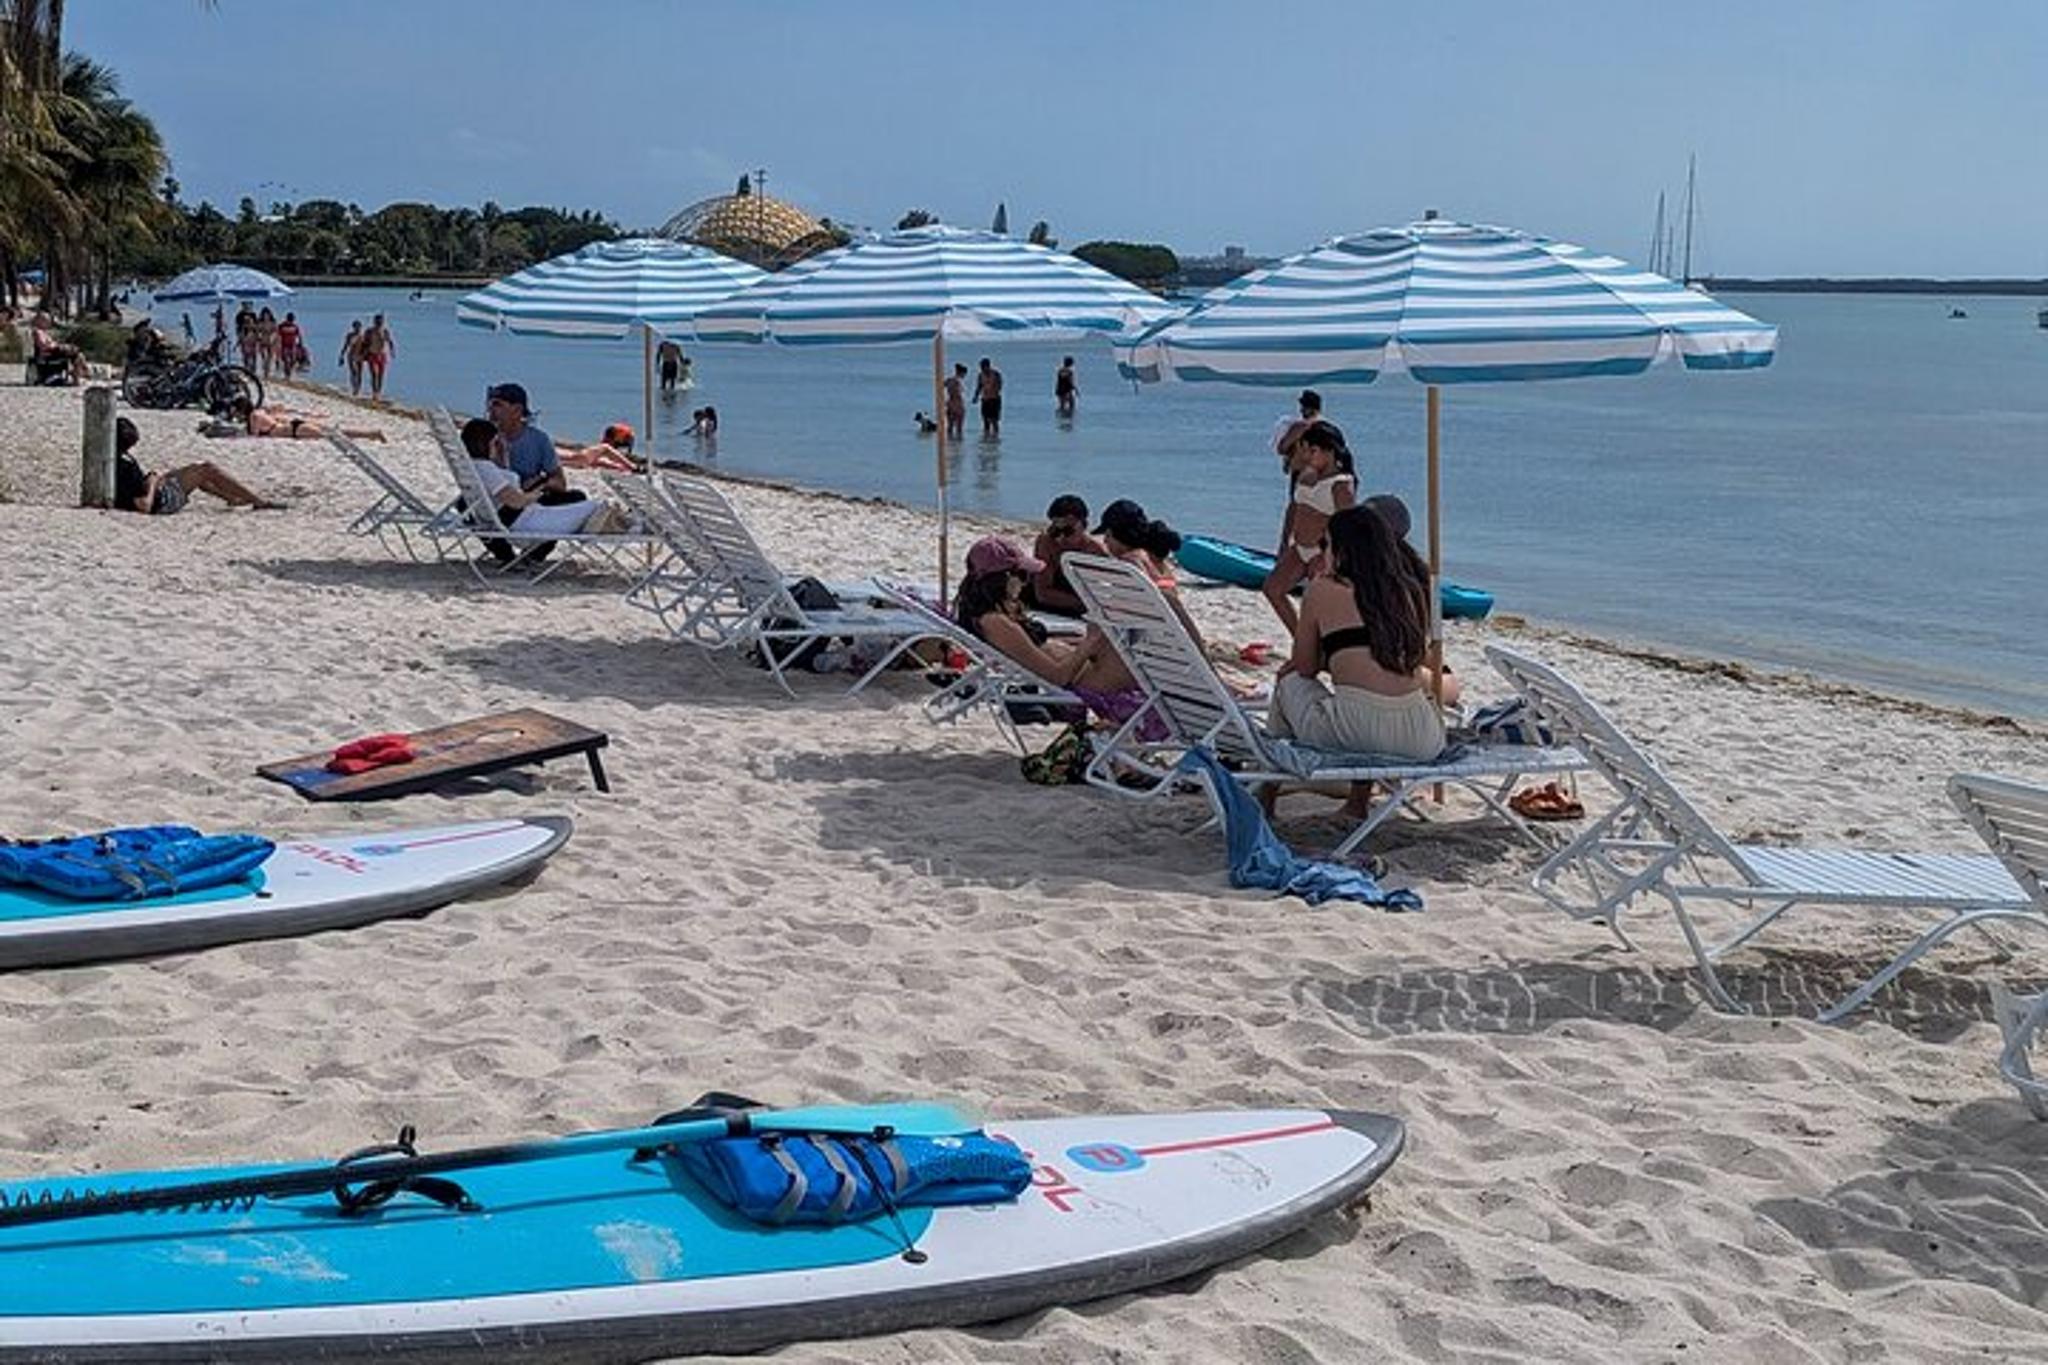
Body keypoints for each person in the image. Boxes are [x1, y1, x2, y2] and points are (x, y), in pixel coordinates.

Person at [1269, 504, 1458, 812]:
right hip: (1423, 736)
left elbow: (1304, 667)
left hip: (1357, 733)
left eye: (1325, 545)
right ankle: (1356, 805)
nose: (1321, 553)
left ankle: (1266, 792)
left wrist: (1331, 659)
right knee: (1361, 698)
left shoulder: (1322, 589)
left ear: (1342, 549)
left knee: (1287, 680)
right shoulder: (1407, 589)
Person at [953, 537, 1133, 693]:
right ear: (1001, 578)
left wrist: (1082, 642)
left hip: (1086, 671)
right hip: (1087, 680)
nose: (1025, 584)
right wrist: (1090, 641)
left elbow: (1032, 647)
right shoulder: (995, 623)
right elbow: (1056, 677)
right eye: (1022, 575)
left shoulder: (991, 616)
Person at [458, 416, 633, 538]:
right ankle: (635, 528)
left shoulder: (475, 467)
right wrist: (539, 490)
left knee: (592, 508)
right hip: (528, 523)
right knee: (596, 506)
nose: (498, 445)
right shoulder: (486, 469)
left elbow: (504, 490)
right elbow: (516, 502)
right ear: (487, 443)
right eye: (496, 442)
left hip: (525, 518)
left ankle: (630, 524)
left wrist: (502, 458)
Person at [1263, 419, 1357, 633]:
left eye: (1313, 451)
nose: (1308, 456)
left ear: (1330, 451)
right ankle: (1300, 641)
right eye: (1306, 450)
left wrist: (1329, 558)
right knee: (1273, 590)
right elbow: (1294, 508)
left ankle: (1316, 648)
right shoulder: (1307, 473)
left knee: (1317, 608)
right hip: (1299, 546)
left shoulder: (1341, 484)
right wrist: (1284, 543)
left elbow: (1347, 528)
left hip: (1321, 552)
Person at [1094, 497, 1206, 649]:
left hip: (1144, 647)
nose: (1105, 541)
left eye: (1107, 535)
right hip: (1169, 643)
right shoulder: (1157, 562)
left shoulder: (1131, 564)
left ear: (1118, 534)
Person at [110, 416, 282, 514]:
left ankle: (232, 499)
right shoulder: (126, 466)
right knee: (206, 469)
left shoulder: (115, 460)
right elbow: (144, 505)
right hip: (163, 501)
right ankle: (258, 501)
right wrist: (152, 482)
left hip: (157, 493)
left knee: (195, 471)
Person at [1025, 493, 1105, 617]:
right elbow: (1043, 594)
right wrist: (1086, 604)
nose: (1060, 538)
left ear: (1084, 525)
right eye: (1056, 530)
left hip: (1077, 606)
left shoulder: (1096, 550)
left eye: (1068, 531)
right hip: (1043, 604)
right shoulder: (1047, 543)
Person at [484, 382, 564, 493]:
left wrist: (541, 483)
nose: (490, 410)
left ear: (517, 410)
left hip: (527, 496)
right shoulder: (483, 438)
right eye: (490, 405)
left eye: (497, 405)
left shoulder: (539, 440)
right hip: (497, 496)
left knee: (576, 496)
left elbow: (559, 481)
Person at [210, 395, 387, 442]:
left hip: (294, 431)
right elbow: (279, 410)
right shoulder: (259, 411)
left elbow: (253, 436)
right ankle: (371, 434)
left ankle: (371, 434)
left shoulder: (254, 416)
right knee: (335, 433)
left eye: (236, 411)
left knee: (335, 435)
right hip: (293, 427)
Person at [555, 422, 641, 472]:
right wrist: (631, 467)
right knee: (605, 448)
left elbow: (601, 462)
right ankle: (633, 466)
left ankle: (632, 466)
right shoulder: (603, 448)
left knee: (602, 452)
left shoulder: (595, 457)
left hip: (576, 459)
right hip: (577, 458)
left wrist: (618, 467)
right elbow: (604, 452)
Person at [30, 311, 88, 382]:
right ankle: (80, 372)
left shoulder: (43, 332)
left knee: (77, 354)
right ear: (39, 321)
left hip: (51, 351)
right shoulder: (38, 332)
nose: (49, 323)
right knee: (74, 352)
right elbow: (43, 345)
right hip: (47, 353)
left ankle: (79, 372)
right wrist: (56, 345)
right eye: (46, 320)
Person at [1272, 388, 1322, 468]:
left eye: (1303, 407)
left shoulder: (1300, 426)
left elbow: (1281, 448)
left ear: (1309, 408)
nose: (1301, 410)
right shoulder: (1327, 426)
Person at [360, 313, 395, 399]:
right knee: (374, 374)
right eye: (378, 321)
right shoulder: (369, 331)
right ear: (374, 321)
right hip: (372, 354)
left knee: (381, 375)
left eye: (381, 321)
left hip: (382, 355)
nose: (379, 322)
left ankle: (378, 392)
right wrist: (362, 354)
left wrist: (392, 351)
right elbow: (364, 343)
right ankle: (374, 392)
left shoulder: (385, 331)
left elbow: (390, 341)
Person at [973, 357, 1003, 436]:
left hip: (994, 400)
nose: (982, 369)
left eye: (983, 367)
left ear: (988, 366)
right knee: (985, 421)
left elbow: (999, 385)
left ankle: (995, 437)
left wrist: (994, 392)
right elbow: (979, 386)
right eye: (981, 367)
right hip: (985, 400)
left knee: (994, 420)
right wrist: (976, 397)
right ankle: (986, 439)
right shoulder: (980, 375)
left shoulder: (996, 374)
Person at [338, 320, 365, 395]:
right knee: (354, 372)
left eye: (359, 327)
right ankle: (354, 387)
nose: (358, 329)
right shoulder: (350, 335)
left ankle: (358, 389)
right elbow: (345, 345)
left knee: (360, 373)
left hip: (360, 356)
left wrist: (365, 356)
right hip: (351, 355)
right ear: (353, 327)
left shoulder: (363, 336)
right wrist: (341, 355)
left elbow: (366, 347)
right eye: (356, 327)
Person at [943, 362, 967, 441]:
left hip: (950, 403)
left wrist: (944, 400)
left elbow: (941, 387)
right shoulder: (958, 382)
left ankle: (950, 443)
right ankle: (958, 446)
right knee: (959, 428)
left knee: (950, 427)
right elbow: (958, 393)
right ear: (962, 373)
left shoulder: (949, 380)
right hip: (958, 405)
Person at [275, 312, 304, 378]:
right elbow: (278, 335)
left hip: (292, 345)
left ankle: (289, 373)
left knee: (293, 360)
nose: (291, 321)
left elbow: (299, 335)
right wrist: (277, 345)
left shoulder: (295, 327)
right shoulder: (282, 326)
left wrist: (300, 343)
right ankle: (287, 375)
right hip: (284, 345)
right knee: (286, 360)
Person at [254, 306, 278, 379]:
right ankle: (265, 371)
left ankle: (267, 372)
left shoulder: (273, 322)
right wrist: (259, 336)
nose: (266, 316)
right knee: (264, 357)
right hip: (262, 341)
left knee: (269, 358)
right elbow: (257, 331)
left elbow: (275, 331)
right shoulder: (260, 322)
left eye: (267, 315)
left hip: (271, 341)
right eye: (264, 315)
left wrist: (273, 337)